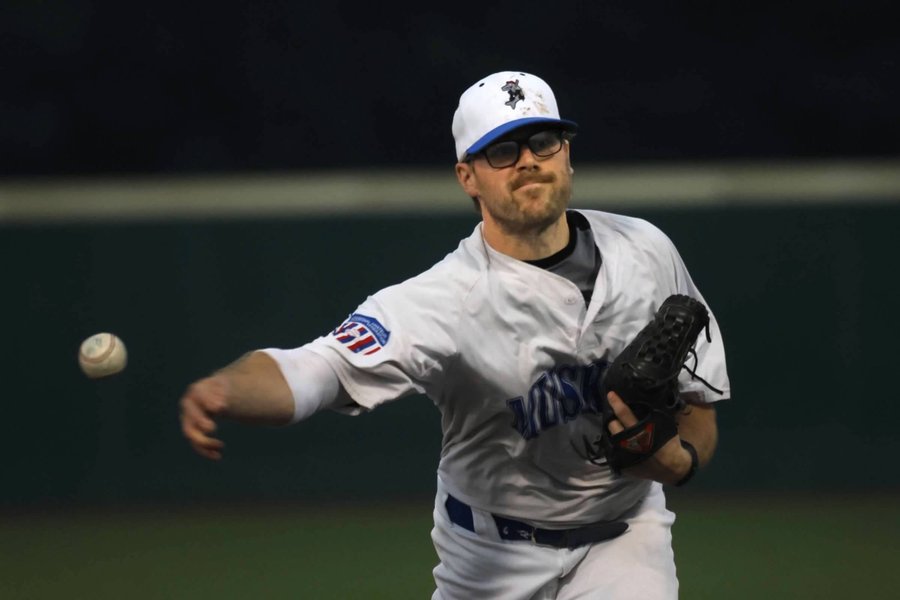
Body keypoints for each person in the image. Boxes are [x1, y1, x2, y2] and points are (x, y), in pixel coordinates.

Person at [179, 71, 730, 599]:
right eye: (503, 151)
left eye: (543, 141)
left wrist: (679, 462)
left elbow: (697, 402)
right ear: (468, 176)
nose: (529, 163)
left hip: (627, 537)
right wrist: (227, 388)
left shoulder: (646, 250)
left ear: (566, 152)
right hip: (491, 558)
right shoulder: (440, 301)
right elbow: (319, 368)